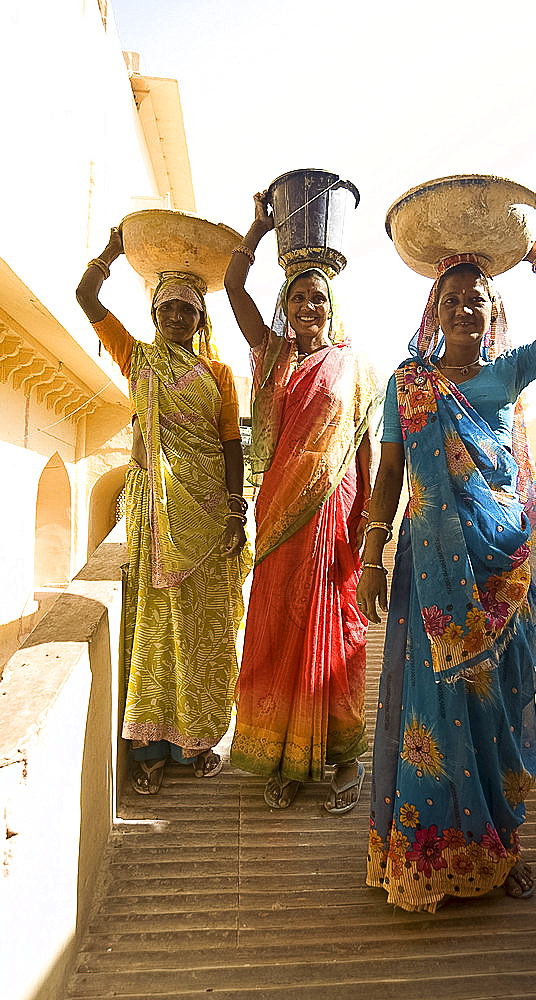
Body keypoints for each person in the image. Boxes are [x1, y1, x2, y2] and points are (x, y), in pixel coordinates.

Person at [357, 243, 536, 911]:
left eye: (475, 298)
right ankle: (429, 860)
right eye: (450, 298)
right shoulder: (406, 384)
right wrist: (371, 549)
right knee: (433, 715)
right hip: (431, 576)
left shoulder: (511, 369)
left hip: (502, 574)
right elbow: (388, 475)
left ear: (493, 311)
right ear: (431, 312)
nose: (463, 307)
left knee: (496, 715)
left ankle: (501, 848)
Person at [76, 228, 252, 795]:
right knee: (158, 629)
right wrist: (109, 252)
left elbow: (230, 444)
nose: (176, 315)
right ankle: (150, 748)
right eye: (167, 307)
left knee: (207, 632)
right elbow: (86, 298)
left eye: (186, 309)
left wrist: (233, 512)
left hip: (206, 519)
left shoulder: (218, 375)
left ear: (200, 319)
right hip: (156, 522)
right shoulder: (138, 358)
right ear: (154, 314)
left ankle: (196, 743)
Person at [225, 192, 377, 812]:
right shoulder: (273, 356)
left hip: (336, 525)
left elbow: (371, 454)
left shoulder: (356, 368)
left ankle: (342, 762)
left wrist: (371, 538)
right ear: (284, 306)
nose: (308, 307)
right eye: (297, 297)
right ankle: (285, 756)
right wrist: (259, 227)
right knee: (275, 632)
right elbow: (235, 286)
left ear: (331, 306)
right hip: (281, 521)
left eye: (318, 298)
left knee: (335, 637)